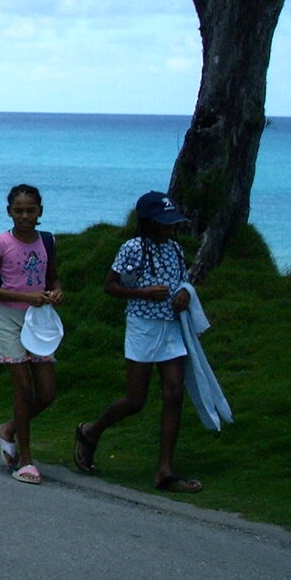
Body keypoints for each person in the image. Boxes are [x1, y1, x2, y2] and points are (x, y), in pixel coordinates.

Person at [73, 192, 203, 493]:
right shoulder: (132, 248)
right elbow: (110, 286)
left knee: (174, 394)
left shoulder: (175, 249)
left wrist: (185, 292)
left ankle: (164, 471)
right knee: (135, 400)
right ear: (148, 223)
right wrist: (143, 294)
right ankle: (91, 431)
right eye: (164, 223)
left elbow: (184, 279)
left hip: (170, 327)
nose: (170, 228)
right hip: (142, 326)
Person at [0, 184, 63, 484]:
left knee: (47, 392)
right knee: (23, 388)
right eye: (19, 211)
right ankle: (26, 460)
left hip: (39, 320)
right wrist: (27, 297)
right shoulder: (0, 244)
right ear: (9, 212)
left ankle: (8, 429)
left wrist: (56, 291)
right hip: (8, 318)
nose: (25, 216)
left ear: (40, 211)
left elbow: (52, 275)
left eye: (31, 210)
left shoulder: (48, 241)